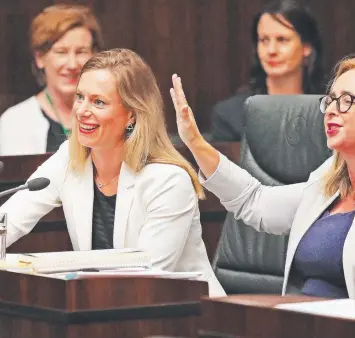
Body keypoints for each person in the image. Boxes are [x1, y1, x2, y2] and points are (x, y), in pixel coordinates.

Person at [171, 56, 355, 304]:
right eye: (330, 100)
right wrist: (196, 143)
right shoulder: (328, 182)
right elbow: (255, 202)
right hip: (302, 327)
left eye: (347, 101)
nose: (331, 109)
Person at [1, 48, 225, 297]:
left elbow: (148, 277)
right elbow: (11, 218)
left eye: (98, 102)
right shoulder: (70, 158)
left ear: (132, 114)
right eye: (80, 97)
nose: (82, 111)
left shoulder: (168, 180)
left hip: (184, 317)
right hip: (106, 312)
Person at [210, 0, 324, 142]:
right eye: (264, 40)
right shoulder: (231, 115)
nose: (271, 50)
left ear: (306, 47)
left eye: (282, 40)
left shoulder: (330, 111)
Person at [0, 4, 104, 156]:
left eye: (81, 51)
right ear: (40, 58)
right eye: (61, 52)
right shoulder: (15, 122)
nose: (72, 64)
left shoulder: (112, 113)